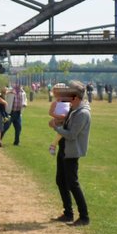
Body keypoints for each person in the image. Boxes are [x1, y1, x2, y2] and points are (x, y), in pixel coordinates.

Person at [50, 80, 91, 226]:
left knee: (72, 183)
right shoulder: (74, 109)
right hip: (65, 148)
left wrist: (56, 127)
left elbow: (72, 134)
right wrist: (58, 122)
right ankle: (68, 213)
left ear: (75, 96)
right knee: (61, 181)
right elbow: (66, 125)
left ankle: (84, 217)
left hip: (72, 151)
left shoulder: (82, 113)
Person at [47, 83, 71, 156]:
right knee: (61, 131)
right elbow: (50, 113)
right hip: (58, 121)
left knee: (62, 132)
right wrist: (58, 116)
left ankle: (53, 145)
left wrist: (66, 115)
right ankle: (53, 145)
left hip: (66, 120)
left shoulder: (68, 102)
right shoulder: (55, 103)